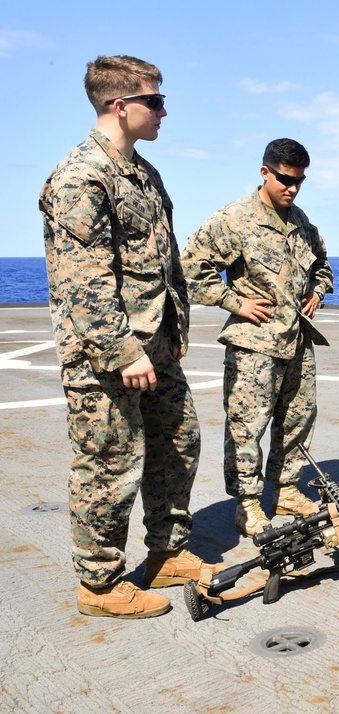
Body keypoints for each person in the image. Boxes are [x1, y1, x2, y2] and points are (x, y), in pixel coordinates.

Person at [40, 55, 212, 619]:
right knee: (108, 465)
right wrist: (123, 350)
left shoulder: (142, 172)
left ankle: (165, 552)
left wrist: (174, 329)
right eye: (155, 101)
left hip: (157, 347)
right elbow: (83, 279)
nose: (164, 111)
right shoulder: (80, 177)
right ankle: (99, 583)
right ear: (121, 106)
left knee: (178, 443)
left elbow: (164, 262)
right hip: (109, 356)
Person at [182, 139, 333, 537]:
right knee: (247, 426)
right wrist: (234, 301)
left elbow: (322, 267)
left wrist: (317, 292)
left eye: (299, 181)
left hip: (297, 340)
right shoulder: (235, 219)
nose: (292, 188)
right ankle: (247, 503)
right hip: (254, 345)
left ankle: (285, 489)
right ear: (265, 171)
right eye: (285, 179)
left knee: (298, 419)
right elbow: (189, 268)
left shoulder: (300, 221)